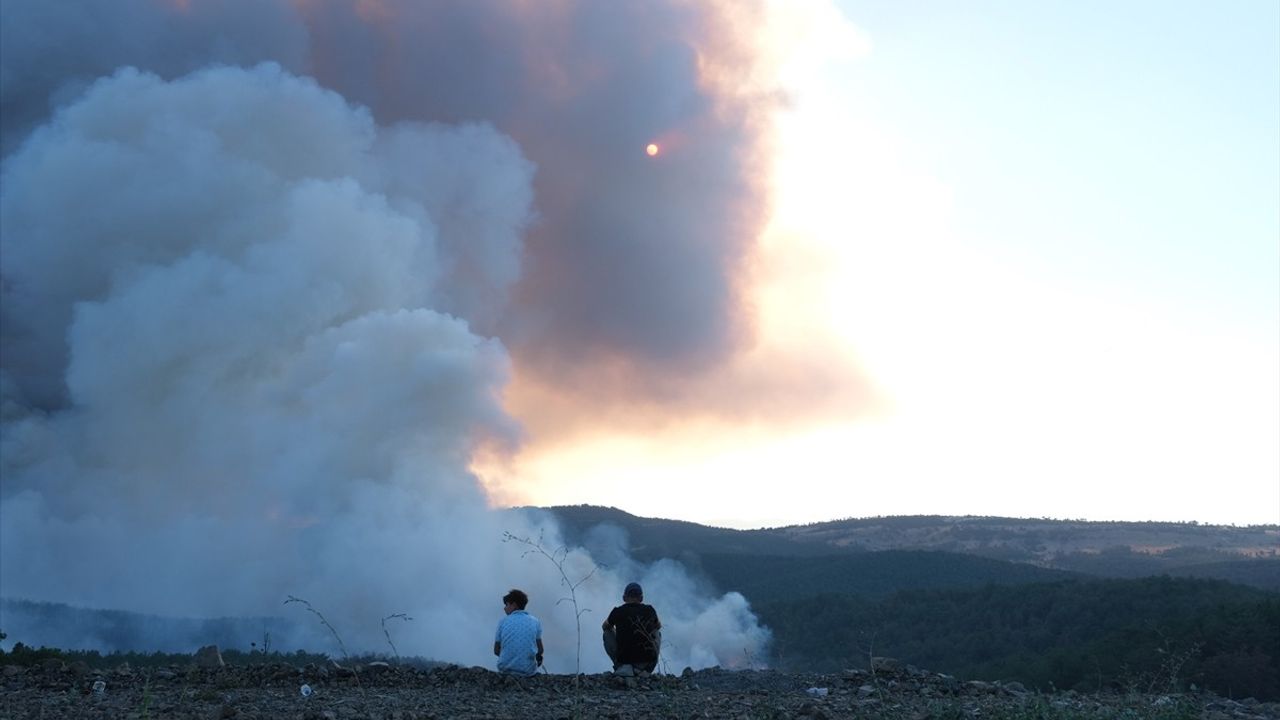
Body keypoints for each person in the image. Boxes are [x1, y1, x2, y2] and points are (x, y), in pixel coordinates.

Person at [602, 582, 661, 675]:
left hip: (624, 662)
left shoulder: (617, 611)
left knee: (607, 632)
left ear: (624, 598)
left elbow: (605, 626)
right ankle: (644, 669)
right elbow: (658, 626)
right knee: (656, 631)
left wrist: (618, 631)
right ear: (641, 598)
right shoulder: (650, 610)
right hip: (646, 665)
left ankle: (622, 667)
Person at [493, 588, 544, 676]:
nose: (504, 608)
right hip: (528, 671)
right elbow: (540, 650)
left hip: (505, 669)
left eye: (506, 604)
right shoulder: (535, 621)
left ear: (514, 605)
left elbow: (496, 650)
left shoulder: (503, 621)